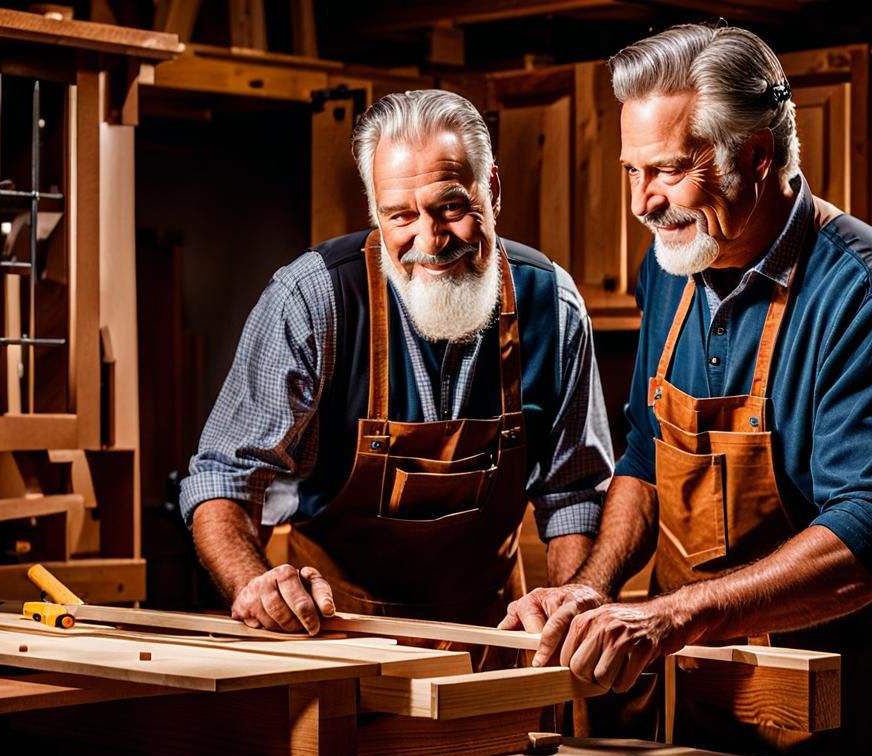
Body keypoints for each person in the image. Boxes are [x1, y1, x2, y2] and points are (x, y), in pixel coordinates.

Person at [499, 25, 872, 756]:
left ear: (756, 154)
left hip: (828, 717)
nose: (643, 202)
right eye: (631, 170)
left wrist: (672, 615)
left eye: (669, 170)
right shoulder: (673, 265)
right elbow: (648, 458)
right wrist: (593, 587)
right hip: (689, 707)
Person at [180, 90, 613, 642]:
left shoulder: (552, 305)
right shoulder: (312, 300)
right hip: (337, 639)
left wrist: (569, 618)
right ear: (374, 209)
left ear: (493, 191)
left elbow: (573, 495)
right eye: (400, 216)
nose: (429, 241)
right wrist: (254, 584)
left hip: (497, 638)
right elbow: (225, 475)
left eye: (451, 208)